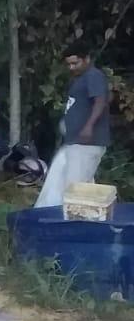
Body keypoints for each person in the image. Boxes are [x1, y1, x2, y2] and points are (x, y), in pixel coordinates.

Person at [35, 42, 110, 207]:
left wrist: (89, 126)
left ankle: (74, 222)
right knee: (60, 181)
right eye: (68, 64)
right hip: (73, 142)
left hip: (87, 142)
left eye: (75, 63)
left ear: (87, 59)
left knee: (74, 188)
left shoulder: (93, 75)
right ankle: (57, 216)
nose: (71, 67)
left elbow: (100, 101)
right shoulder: (78, 80)